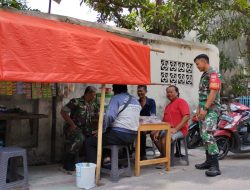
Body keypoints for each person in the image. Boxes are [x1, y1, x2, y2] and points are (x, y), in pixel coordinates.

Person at [85, 84, 141, 163]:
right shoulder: (135, 100)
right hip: (132, 137)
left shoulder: (116, 98)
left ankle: (94, 170)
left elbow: (109, 116)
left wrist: (102, 130)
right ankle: (106, 159)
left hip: (119, 135)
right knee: (104, 137)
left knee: (90, 141)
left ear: (115, 91)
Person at [194, 54, 221, 177]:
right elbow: (202, 95)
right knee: (203, 135)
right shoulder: (204, 75)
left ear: (204, 61)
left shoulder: (213, 73)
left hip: (211, 109)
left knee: (207, 134)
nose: (197, 66)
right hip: (203, 110)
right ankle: (208, 161)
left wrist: (205, 108)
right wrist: (199, 109)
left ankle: (215, 166)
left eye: (198, 63)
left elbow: (213, 92)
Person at [61, 86, 99, 171]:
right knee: (80, 138)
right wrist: (72, 125)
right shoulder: (76, 101)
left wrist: (98, 128)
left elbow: (99, 116)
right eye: (93, 95)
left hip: (87, 129)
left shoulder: (93, 104)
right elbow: (63, 112)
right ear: (87, 93)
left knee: (96, 138)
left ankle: (90, 161)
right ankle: (68, 162)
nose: (94, 97)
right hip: (73, 128)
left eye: (94, 95)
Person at [151, 85, 190, 158]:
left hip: (180, 130)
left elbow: (187, 116)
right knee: (153, 134)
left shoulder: (181, 102)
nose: (169, 94)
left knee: (164, 139)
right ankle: (164, 155)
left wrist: (176, 129)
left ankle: (166, 160)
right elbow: (164, 121)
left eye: (171, 92)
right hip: (168, 129)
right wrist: (158, 131)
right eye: (167, 92)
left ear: (177, 93)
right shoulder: (168, 106)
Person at [137, 85, 156, 160]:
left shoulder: (151, 101)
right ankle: (130, 152)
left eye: (141, 91)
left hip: (150, 124)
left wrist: (144, 121)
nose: (139, 93)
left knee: (142, 132)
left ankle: (142, 155)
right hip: (139, 125)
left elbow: (153, 115)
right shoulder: (136, 102)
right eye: (138, 91)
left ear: (145, 91)